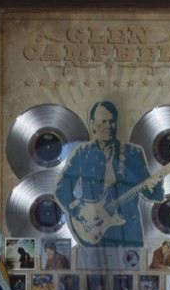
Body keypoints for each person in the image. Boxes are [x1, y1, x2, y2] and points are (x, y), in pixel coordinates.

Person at [54, 101, 164, 249]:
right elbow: (62, 189)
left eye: (112, 122)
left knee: (132, 271)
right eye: (103, 122)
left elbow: (151, 194)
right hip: (92, 226)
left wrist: (156, 186)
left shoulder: (132, 153)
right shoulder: (82, 153)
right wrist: (79, 210)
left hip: (128, 231)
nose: (109, 127)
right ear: (92, 124)